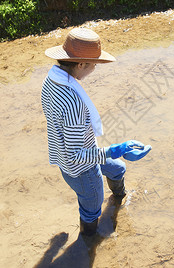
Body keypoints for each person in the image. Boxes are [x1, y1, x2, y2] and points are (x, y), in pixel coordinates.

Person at [41, 27, 151, 237]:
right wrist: (115, 149)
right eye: (94, 64)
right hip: (81, 171)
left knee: (117, 168)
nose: (94, 69)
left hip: (68, 156)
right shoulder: (72, 102)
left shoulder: (52, 80)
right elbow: (77, 155)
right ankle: (88, 243)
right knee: (91, 210)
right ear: (81, 64)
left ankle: (119, 198)